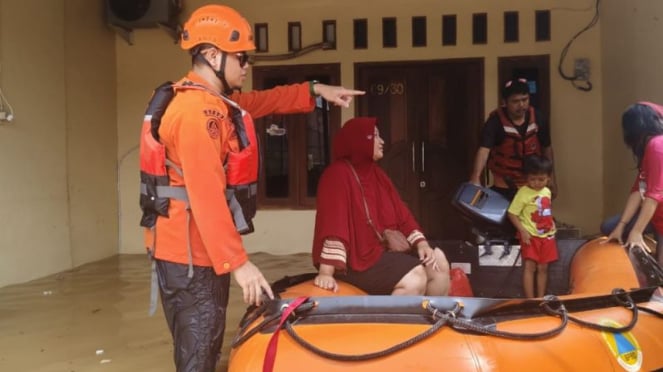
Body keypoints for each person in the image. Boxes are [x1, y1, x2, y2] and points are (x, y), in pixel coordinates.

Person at [139, 5, 364, 371]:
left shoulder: (214, 103)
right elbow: (206, 196)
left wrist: (316, 90)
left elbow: (263, 101)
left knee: (203, 342)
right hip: (190, 254)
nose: (247, 66)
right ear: (212, 55)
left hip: (194, 250)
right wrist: (240, 265)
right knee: (198, 350)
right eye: (241, 57)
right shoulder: (196, 114)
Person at [312, 117, 450, 296]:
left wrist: (422, 244)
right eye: (375, 136)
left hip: (380, 253)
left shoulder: (377, 174)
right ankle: (396, 324)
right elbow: (334, 225)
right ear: (360, 140)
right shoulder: (337, 175)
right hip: (352, 262)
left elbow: (402, 214)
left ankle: (432, 321)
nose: (382, 141)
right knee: (415, 277)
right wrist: (326, 273)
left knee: (438, 262)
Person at [469, 78, 557, 201]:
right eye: (515, 101)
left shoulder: (538, 118)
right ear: (505, 102)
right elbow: (484, 150)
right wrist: (476, 177)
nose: (521, 105)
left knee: (533, 219)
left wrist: (551, 178)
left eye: (525, 100)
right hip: (504, 185)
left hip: (533, 184)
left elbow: (546, 148)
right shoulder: (495, 122)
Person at [602, 102, 663, 267]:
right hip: (656, 214)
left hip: (659, 213)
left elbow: (654, 195)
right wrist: (621, 227)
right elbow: (638, 189)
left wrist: (637, 231)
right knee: (610, 226)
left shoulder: (657, 145)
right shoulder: (648, 147)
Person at [507, 155, 557, 298]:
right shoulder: (523, 193)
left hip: (547, 236)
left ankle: (540, 299)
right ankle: (530, 301)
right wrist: (522, 231)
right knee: (530, 267)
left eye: (541, 179)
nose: (536, 183)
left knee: (543, 268)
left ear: (548, 178)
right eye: (532, 179)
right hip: (530, 236)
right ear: (526, 178)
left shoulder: (547, 191)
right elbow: (512, 213)